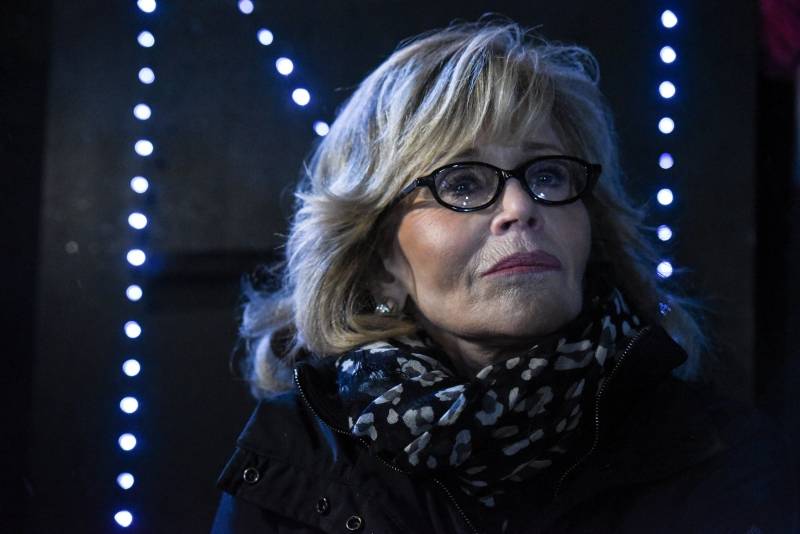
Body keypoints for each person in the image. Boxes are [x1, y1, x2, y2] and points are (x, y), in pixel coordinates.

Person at [212, 20, 798, 533]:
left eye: (547, 174)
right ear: (381, 262)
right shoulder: (292, 458)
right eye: (463, 182)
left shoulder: (721, 450)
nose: (520, 207)